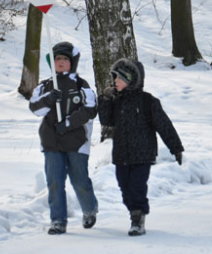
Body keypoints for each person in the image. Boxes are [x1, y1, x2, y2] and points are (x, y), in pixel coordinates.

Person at [98, 58, 184, 236]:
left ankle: (137, 218)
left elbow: (164, 125)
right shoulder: (116, 101)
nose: (115, 82)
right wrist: (105, 100)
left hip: (143, 154)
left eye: (119, 78)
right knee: (124, 187)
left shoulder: (148, 101)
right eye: (114, 78)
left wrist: (176, 148)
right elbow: (107, 121)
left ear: (131, 80)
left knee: (137, 186)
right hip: (121, 153)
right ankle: (135, 211)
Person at [29, 41, 99, 235]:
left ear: (72, 62)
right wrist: (49, 99)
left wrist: (68, 123)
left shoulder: (80, 85)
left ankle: (89, 209)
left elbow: (90, 109)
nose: (60, 62)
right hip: (52, 142)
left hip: (76, 142)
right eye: (57, 59)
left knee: (79, 180)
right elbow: (35, 108)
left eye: (64, 59)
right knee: (54, 181)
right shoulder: (45, 86)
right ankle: (58, 220)